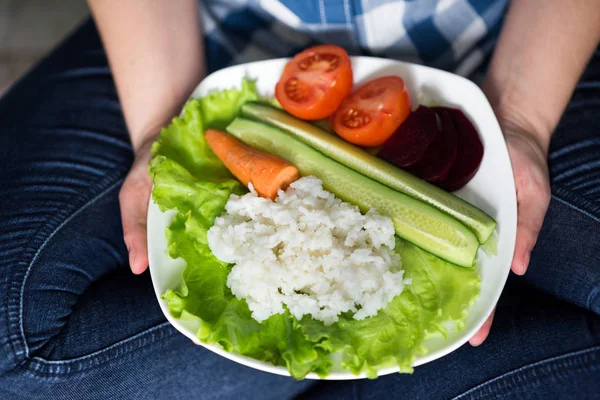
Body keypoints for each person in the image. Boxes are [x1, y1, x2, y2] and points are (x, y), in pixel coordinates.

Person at [0, 0, 599, 398]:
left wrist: (521, 120)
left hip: (506, 45)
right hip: (208, 39)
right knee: (13, 348)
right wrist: (163, 120)